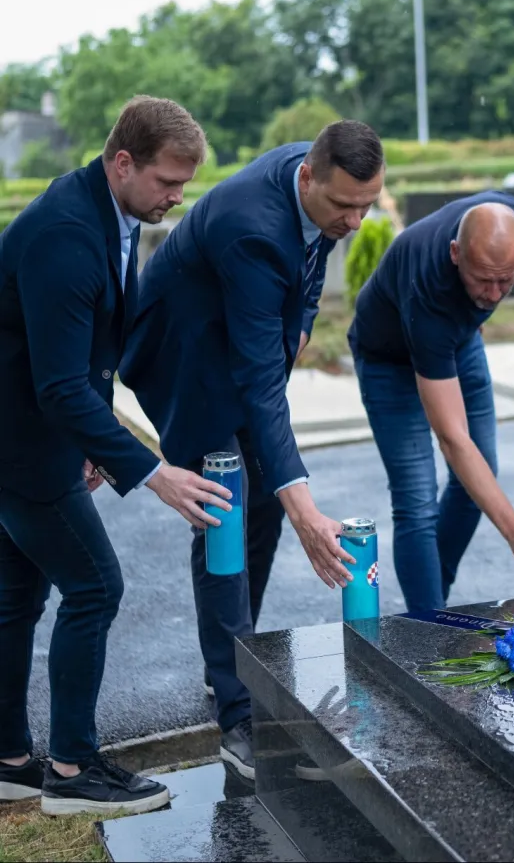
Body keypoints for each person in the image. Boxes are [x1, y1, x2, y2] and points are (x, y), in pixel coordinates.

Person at [119, 120, 386, 779]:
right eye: (343, 206)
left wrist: (297, 325)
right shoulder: (254, 228)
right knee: (225, 504)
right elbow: (261, 387)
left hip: (241, 330)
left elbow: (314, 264)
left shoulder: (321, 183)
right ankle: (238, 716)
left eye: (366, 206)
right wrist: (308, 511)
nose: (354, 220)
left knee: (264, 499)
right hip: (184, 352)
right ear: (307, 178)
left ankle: (236, 659)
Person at [0, 96, 233, 815]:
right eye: (168, 182)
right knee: (96, 587)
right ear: (123, 162)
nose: (176, 197)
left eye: (185, 184)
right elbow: (59, 385)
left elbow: (83, 364)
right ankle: (73, 774)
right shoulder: (67, 234)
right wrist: (150, 470)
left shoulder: (104, 212)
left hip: (28, 433)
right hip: (21, 444)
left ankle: (8, 761)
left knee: (16, 597)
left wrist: (91, 437)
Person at [347, 192, 514, 614]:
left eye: (506, 280)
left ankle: (428, 609)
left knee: (481, 472)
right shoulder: (430, 287)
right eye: (484, 280)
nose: (495, 294)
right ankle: (429, 624)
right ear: (456, 253)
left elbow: (470, 455)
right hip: (389, 357)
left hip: (457, 341)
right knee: (416, 500)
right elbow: (453, 438)